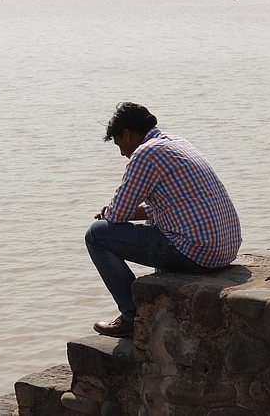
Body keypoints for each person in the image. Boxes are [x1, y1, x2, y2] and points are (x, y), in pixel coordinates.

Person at [86, 102, 242, 338]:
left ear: (127, 134)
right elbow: (169, 207)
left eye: (120, 144)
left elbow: (118, 214)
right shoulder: (177, 142)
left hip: (198, 254)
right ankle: (159, 305)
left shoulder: (145, 154)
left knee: (96, 234)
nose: (122, 153)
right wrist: (118, 212)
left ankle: (133, 317)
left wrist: (107, 214)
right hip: (226, 250)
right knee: (154, 222)